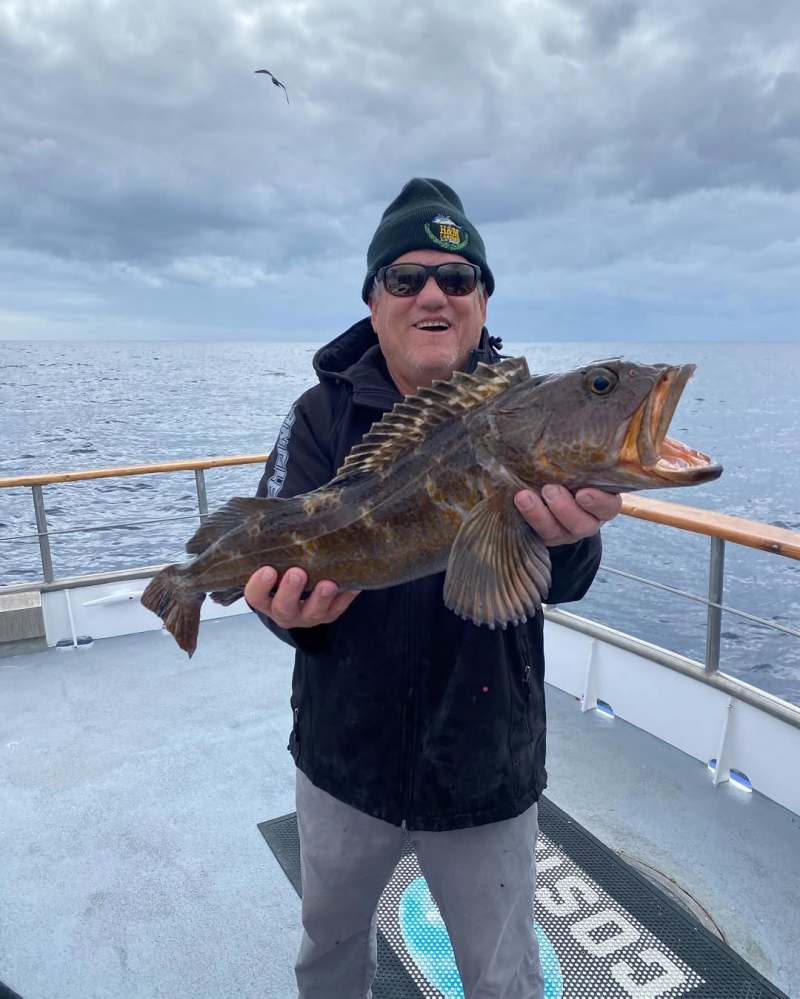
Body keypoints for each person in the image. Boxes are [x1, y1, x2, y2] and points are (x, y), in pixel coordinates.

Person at [245, 178, 621, 999]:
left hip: (484, 761)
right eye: (405, 277)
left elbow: (566, 579)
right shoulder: (317, 416)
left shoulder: (533, 414)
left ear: (482, 302)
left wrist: (573, 538)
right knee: (330, 948)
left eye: (457, 278)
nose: (433, 296)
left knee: (501, 974)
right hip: (345, 758)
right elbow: (272, 558)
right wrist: (286, 617)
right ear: (374, 301)